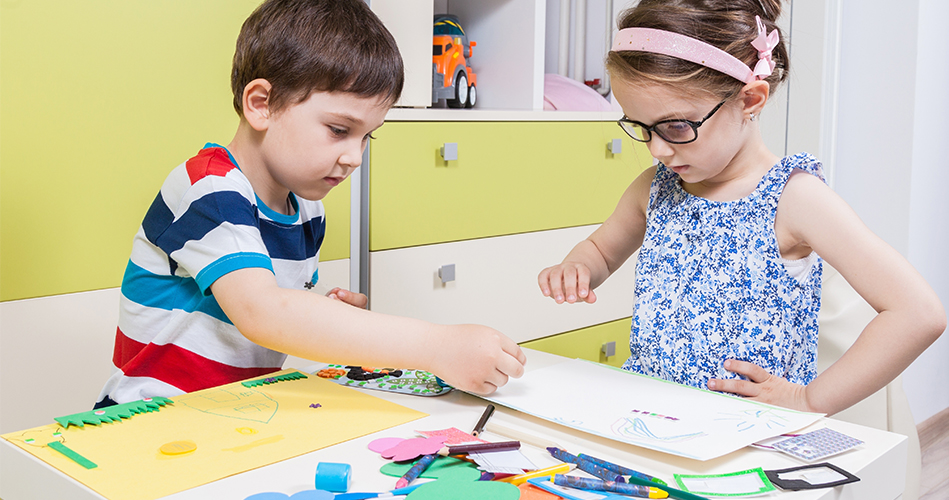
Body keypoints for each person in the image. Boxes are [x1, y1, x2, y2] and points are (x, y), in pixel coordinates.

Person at [96, 0, 526, 408]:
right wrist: (437, 347)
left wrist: (320, 309)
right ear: (261, 105)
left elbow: (266, 304)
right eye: (339, 129)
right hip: (149, 418)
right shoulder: (208, 188)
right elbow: (262, 312)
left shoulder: (305, 207)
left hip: (237, 416)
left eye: (367, 136)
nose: (355, 157)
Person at [538, 0, 945, 415]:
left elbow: (917, 313)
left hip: (750, 430)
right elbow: (603, 251)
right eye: (641, 127)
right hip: (650, 415)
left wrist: (809, 400)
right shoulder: (655, 189)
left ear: (750, 100)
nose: (657, 149)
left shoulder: (793, 199)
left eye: (677, 126)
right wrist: (578, 268)